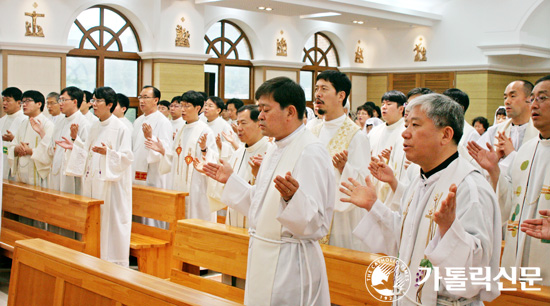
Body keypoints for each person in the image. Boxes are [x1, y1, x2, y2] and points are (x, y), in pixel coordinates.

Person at [342, 93, 501, 305]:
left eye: (415, 125)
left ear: (445, 135)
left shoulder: (469, 188)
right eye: (406, 124)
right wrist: (374, 206)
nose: (405, 134)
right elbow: (406, 237)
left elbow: (476, 268)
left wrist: (449, 229)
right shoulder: (419, 177)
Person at [203, 76, 334, 306]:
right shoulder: (275, 148)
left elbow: (317, 224)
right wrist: (231, 180)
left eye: (265, 109)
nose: (260, 115)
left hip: (290, 264)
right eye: (259, 108)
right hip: (264, 254)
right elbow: (260, 205)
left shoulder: (310, 151)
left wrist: (293, 199)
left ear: (290, 112)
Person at [469, 75, 550, 285]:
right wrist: (494, 171)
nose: (535, 105)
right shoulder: (526, 150)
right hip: (517, 249)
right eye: (532, 98)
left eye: (542, 98)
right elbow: (511, 202)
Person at [58, 86, 133, 267]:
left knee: (110, 222)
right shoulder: (94, 126)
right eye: (93, 100)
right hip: (92, 183)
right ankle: (94, 257)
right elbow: (87, 152)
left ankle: (113, 262)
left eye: (98, 101)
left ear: (109, 104)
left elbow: (127, 158)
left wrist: (109, 153)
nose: (94, 105)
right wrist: (75, 144)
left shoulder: (120, 127)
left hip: (110, 186)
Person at [309, 70, 371, 251]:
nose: (318, 94)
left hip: (342, 220)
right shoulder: (313, 131)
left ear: (341, 95)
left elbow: (364, 181)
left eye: (324, 89)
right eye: (316, 88)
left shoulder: (356, 136)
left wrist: (345, 168)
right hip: (314, 213)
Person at [147, 90, 219, 221]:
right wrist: (163, 151)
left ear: (198, 108)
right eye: (182, 105)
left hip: (197, 188)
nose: (183, 109)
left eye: (187, 106)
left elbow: (213, 160)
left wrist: (204, 150)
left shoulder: (205, 130)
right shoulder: (181, 129)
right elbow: (175, 158)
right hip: (179, 186)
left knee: (196, 220)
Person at [31, 86, 90, 193]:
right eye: (60, 100)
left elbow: (88, 153)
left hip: (71, 176)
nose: (60, 103)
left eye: (63, 100)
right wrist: (41, 132)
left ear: (75, 101)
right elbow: (52, 148)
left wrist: (74, 140)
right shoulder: (60, 122)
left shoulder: (83, 123)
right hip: (56, 172)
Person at [222, 104, 271, 228]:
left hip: (256, 226)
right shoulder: (238, 153)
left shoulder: (270, 152)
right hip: (233, 222)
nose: (239, 128)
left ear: (259, 123)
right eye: (237, 123)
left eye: (243, 123)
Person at [475, 80, 538, 174]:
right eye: (505, 97)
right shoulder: (495, 131)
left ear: (530, 99)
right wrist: (495, 159)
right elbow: (479, 168)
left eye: (512, 96)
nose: (507, 101)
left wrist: (511, 154)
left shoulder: (541, 131)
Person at [132, 86, 173, 197]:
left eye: (146, 97)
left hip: (153, 172)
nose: (141, 101)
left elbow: (166, 149)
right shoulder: (138, 121)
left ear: (156, 100)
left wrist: (151, 138)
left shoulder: (163, 122)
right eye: (140, 97)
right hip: (136, 169)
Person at [8, 90, 54, 187]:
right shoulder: (23, 123)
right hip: (21, 172)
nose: (24, 104)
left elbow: (50, 150)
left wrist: (30, 151)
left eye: (28, 101)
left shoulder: (47, 124)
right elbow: (12, 145)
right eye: (22, 102)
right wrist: (16, 149)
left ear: (39, 104)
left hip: (38, 173)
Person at [367, 90, 407, 202]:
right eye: (383, 104)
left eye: (389, 104)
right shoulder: (375, 131)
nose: (384, 107)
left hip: (394, 185)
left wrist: (392, 159)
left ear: (401, 109)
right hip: (374, 180)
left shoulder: (406, 132)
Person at [1, 87, 26, 180]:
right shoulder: (2, 120)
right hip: (3, 160)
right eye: (3, 100)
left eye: (8, 100)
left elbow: (28, 141)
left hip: (17, 162)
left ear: (19, 102)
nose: (4, 103)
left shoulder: (24, 119)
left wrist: (13, 139)